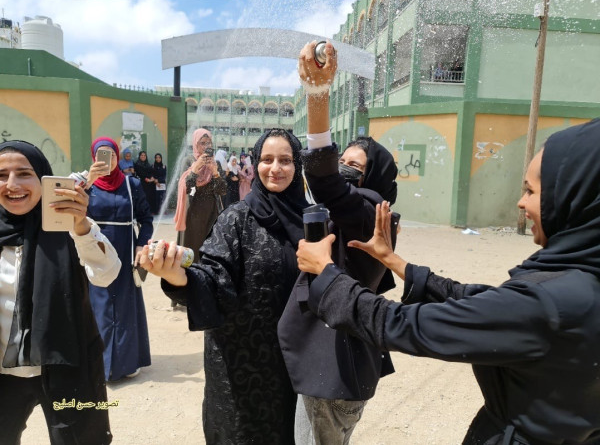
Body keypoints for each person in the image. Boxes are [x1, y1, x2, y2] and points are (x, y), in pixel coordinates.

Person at [296, 119, 600, 444]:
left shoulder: (551, 304)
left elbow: (401, 323)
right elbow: (476, 299)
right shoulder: (578, 282)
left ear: (574, 197)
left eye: (531, 190)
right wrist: (394, 261)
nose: (521, 203)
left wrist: (326, 275)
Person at [139, 128, 309, 444]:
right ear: (256, 163)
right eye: (267, 159)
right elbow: (214, 276)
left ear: (297, 165)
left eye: (285, 160)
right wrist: (179, 277)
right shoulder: (236, 219)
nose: (275, 168)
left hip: (295, 363)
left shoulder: (311, 221)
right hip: (242, 366)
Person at [278, 41, 398, 445]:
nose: (344, 169)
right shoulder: (365, 219)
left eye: (353, 166)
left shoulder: (368, 209)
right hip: (338, 371)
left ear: (372, 178)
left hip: (332, 373)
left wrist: (317, 95)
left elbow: (326, 180)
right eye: (341, 161)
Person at [0, 140, 121, 444]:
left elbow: (106, 274)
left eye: (24, 173)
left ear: (43, 178)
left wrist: (81, 226)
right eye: (1, 175)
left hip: (68, 365)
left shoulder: (68, 225)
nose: (12, 184)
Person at [86, 137, 153, 381]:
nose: (108, 159)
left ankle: (127, 362)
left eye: (112, 154)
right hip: (95, 250)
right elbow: (70, 213)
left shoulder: (131, 184)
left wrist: (140, 245)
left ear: (118, 156)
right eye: (102, 154)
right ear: (94, 157)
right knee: (100, 303)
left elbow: (146, 219)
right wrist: (87, 182)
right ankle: (99, 365)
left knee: (125, 303)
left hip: (126, 249)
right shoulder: (85, 185)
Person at [174, 129, 226, 265]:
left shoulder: (215, 163)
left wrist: (215, 172)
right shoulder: (188, 161)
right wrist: (195, 168)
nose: (206, 146)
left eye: (209, 143)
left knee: (210, 248)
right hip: (193, 212)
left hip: (211, 213)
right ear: (195, 144)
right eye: (202, 143)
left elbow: (222, 190)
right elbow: (188, 188)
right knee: (191, 249)